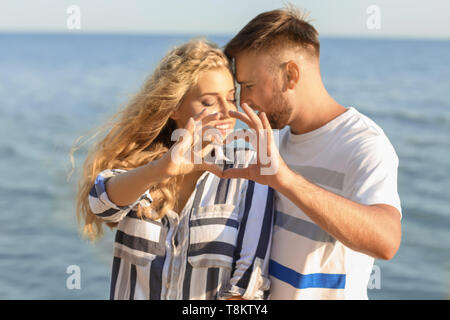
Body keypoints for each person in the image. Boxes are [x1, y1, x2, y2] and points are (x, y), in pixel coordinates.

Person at [71, 39, 274, 300]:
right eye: (209, 102)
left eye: (231, 98)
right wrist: (161, 169)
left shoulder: (248, 169)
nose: (226, 113)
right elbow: (101, 204)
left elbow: (248, 287)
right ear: (175, 107)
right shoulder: (146, 167)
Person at [222, 6, 402, 299]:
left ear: (290, 74)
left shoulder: (363, 143)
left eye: (249, 85)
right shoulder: (276, 143)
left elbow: (386, 242)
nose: (245, 101)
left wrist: (285, 180)